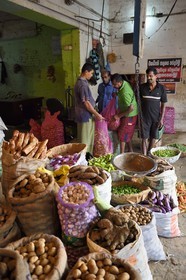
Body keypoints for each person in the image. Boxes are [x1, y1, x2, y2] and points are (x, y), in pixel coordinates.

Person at [74, 63, 104, 154]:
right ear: (86, 72)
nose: (91, 75)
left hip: (83, 115)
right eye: (91, 73)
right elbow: (86, 103)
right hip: (85, 116)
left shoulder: (80, 82)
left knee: (86, 139)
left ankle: (86, 158)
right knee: (85, 141)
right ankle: (84, 161)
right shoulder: (82, 85)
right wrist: (97, 114)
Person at [140, 66, 167, 155]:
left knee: (153, 137)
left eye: (151, 76)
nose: (149, 78)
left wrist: (161, 119)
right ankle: (144, 156)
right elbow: (138, 102)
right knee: (144, 138)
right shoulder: (142, 87)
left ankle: (149, 154)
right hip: (144, 118)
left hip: (156, 118)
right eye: (148, 76)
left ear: (156, 76)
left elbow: (163, 104)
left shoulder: (161, 88)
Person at [111, 73, 138, 154]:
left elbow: (130, 108)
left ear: (119, 83)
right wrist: (117, 94)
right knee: (127, 132)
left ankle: (122, 154)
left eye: (115, 84)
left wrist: (118, 116)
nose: (113, 86)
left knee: (122, 134)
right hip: (126, 113)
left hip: (130, 115)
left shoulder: (124, 93)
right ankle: (130, 150)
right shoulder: (124, 83)